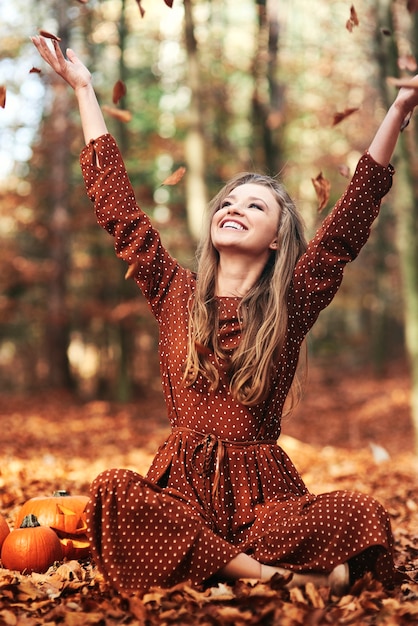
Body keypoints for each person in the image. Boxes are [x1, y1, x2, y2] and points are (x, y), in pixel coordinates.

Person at [32, 35, 417, 596]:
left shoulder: (294, 301)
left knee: (359, 512)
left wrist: (400, 109)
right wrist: (86, 90)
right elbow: (117, 207)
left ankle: (222, 563)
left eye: (254, 205)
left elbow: (350, 220)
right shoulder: (173, 291)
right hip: (181, 496)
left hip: (266, 503)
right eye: (229, 203)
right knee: (114, 491)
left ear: (278, 241)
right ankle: (272, 577)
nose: (235, 208)